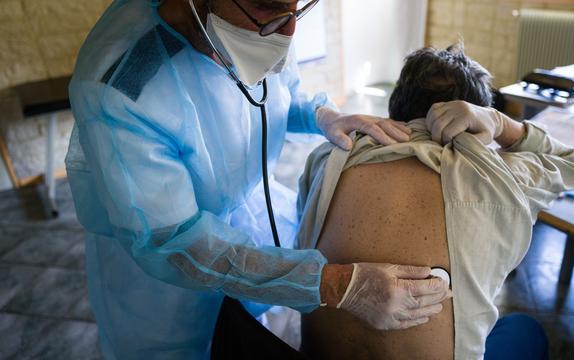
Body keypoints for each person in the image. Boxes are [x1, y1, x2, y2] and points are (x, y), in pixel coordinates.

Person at [64, 0, 455, 358]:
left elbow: (283, 93)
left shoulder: (265, 20)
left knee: (245, 335)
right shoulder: (122, 88)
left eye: (296, 10)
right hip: (165, 284)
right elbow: (176, 242)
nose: (288, 33)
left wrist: (323, 115)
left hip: (242, 215)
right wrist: (338, 286)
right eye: (271, 11)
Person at [296, 45, 574, 359]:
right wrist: (500, 123)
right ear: (474, 124)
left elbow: (307, 234)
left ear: (396, 106)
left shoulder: (329, 155)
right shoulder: (501, 175)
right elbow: (573, 162)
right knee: (524, 330)